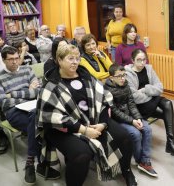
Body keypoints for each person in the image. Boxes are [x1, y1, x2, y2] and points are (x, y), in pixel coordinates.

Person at [37, 44, 137, 186]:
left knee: (125, 137)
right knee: (82, 155)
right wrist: (84, 130)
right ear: (59, 60)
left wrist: (103, 124)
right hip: (62, 128)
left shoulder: (87, 77)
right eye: (70, 58)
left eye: (77, 58)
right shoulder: (51, 84)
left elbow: (103, 100)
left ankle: (126, 171)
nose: (75, 62)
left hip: (94, 121)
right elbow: (52, 116)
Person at [0, 46, 58, 184]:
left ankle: (30, 163)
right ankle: (42, 164)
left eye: (17, 58)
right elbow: (4, 103)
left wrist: (14, 94)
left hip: (33, 108)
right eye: (11, 60)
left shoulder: (27, 70)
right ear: (3, 60)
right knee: (39, 122)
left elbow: (39, 92)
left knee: (35, 117)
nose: (15, 62)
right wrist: (28, 93)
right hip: (13, 112)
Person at [125, 48, 174, 158]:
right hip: (139, 108)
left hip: (151, 100)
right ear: (133, 60)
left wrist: (145, 89)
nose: (142, 63)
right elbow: (135, 98)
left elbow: (160, 88)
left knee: (167, 104)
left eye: (144, 60)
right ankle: (173, 144)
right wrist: (152, 92)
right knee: (167, 114)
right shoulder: (128, 74)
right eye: (139, 60)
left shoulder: (149, 69)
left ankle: (172, 143)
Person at [105, 64, 158, 177]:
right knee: (135, 134)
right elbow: (114, 112)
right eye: (119, 76)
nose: (123, 78)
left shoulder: (126, 85)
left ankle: (145, 160)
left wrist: (138, 118)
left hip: (130, 116)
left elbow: (132, 104)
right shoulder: (107, 90)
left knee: (147, 128)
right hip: (118, 120)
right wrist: (132, 121)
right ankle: (140, 160)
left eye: (124, 75)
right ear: (111, 78)